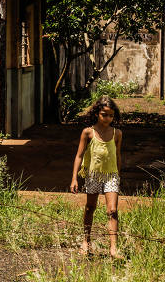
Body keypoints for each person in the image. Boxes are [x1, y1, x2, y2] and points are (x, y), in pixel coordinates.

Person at [70, 95, 123, 258]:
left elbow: (118, 156)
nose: (108, 118)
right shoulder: (88, 133)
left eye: (111, 115)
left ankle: (113, 248)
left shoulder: (117, 134)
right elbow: (79, 156)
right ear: (96, 114)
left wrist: (118, 177)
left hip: (111, 176)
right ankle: (86, 241)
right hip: (92, 175)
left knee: (112, 210)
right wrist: (74, 178)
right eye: (104, 114)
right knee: (90, 208)